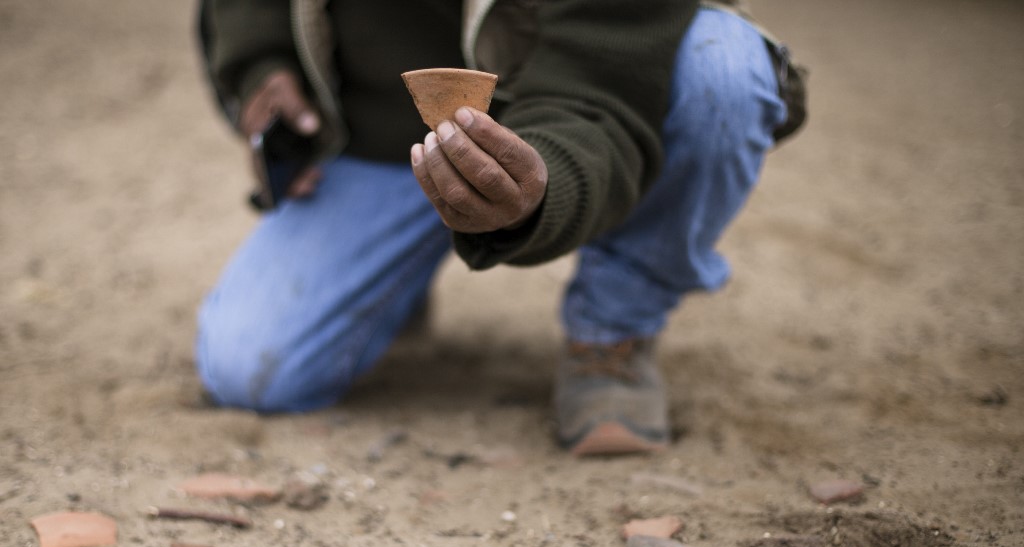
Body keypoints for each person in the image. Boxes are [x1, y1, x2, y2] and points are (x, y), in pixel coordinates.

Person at [195, 0, 806, 457]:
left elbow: (602, 87)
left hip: (563, 118)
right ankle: (395, 286)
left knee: (720, 65)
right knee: (248, 369)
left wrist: (540, 194)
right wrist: (259, 61)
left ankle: (614, 330)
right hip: (370, 137)